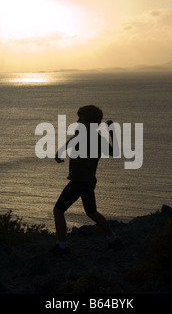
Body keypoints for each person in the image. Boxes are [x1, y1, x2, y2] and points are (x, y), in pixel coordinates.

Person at [50, 105, 123, 256]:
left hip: (79, 181)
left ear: (89, 122)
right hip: (89, 181)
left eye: (80, 119)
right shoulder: (93, 137)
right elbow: (114, 152)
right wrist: (60, 151)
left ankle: (62, 245)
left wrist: (60, 152)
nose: (77, 121)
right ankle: (113, 238)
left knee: (58, 210)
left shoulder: (88, 136)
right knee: (91, 212)